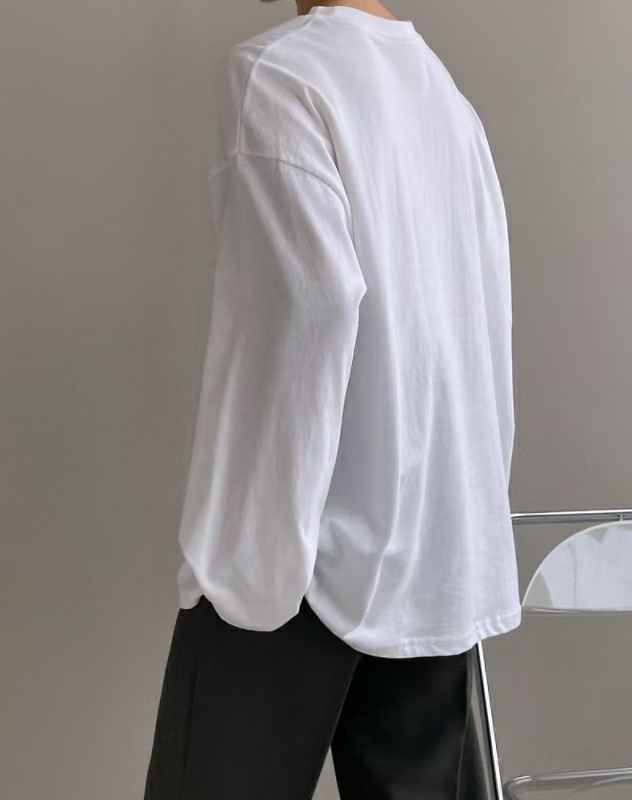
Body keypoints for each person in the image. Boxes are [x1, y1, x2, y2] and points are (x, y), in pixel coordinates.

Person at [143, 1, 521, 797]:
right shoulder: (449, 104)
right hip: (431, 560)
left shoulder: (277, 75)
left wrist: (241, 559)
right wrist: (462, 531)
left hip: (293, 559)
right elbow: (484, 322)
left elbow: (305, 313)